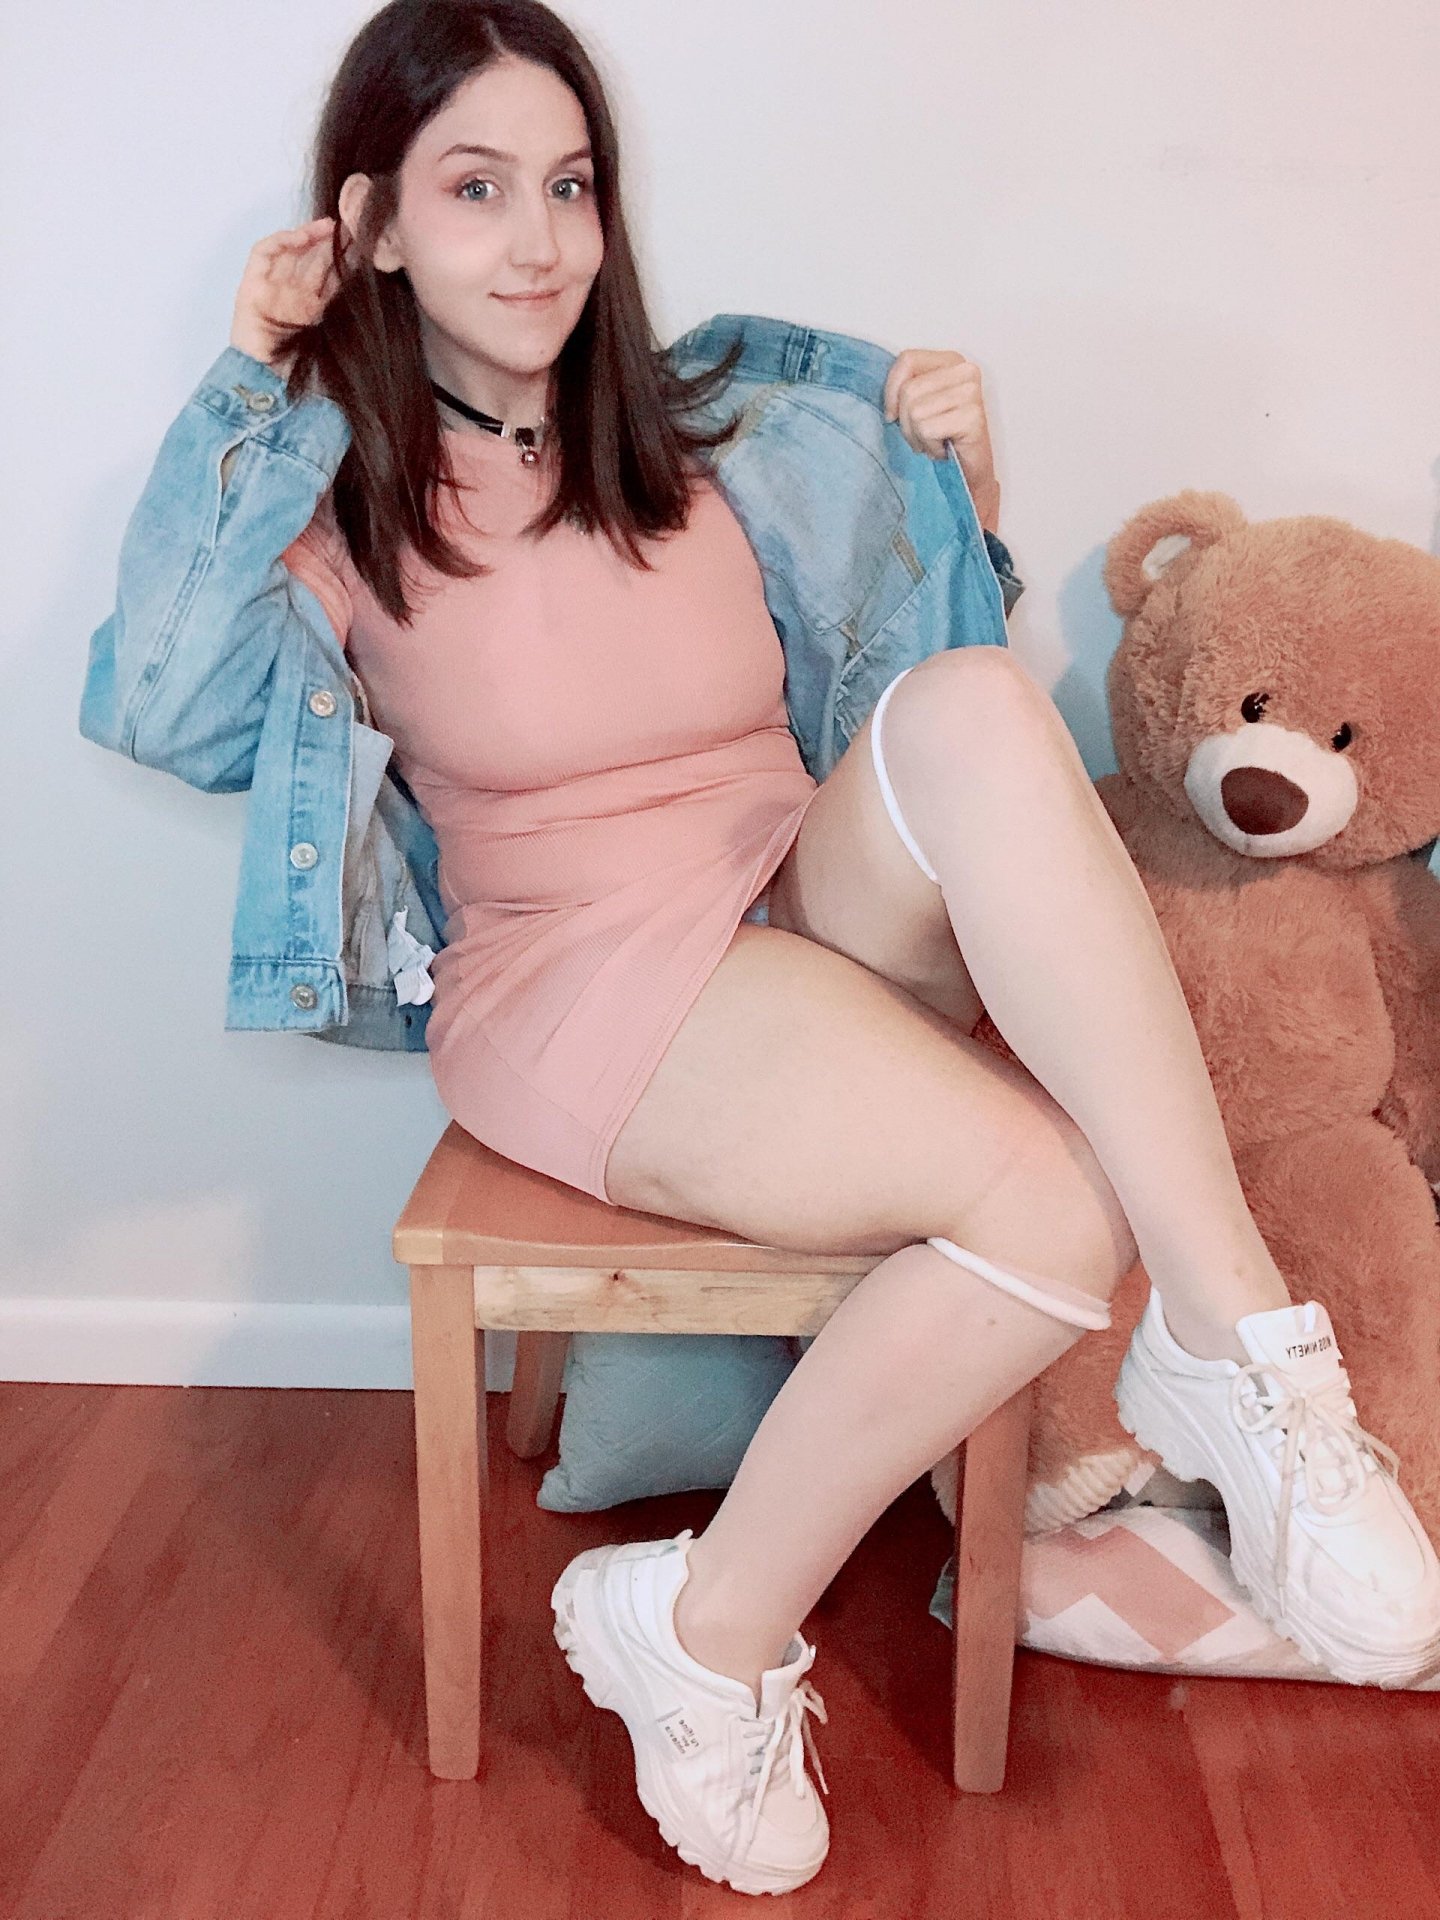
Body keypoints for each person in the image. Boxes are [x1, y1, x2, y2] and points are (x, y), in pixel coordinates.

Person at [221, 0, 1439, 1898]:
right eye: (475, 190)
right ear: (371, 224)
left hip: (789, 880)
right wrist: (247, 380)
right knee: (1055, 1206)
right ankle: (709, 1628)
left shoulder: (712, 429)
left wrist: (962, 493)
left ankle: (1240, 1344)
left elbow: (939, 718)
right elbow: (163, 704)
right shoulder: (329, 492)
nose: (539, 241)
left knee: (973, 702)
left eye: (569, 186)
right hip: (580, 966)